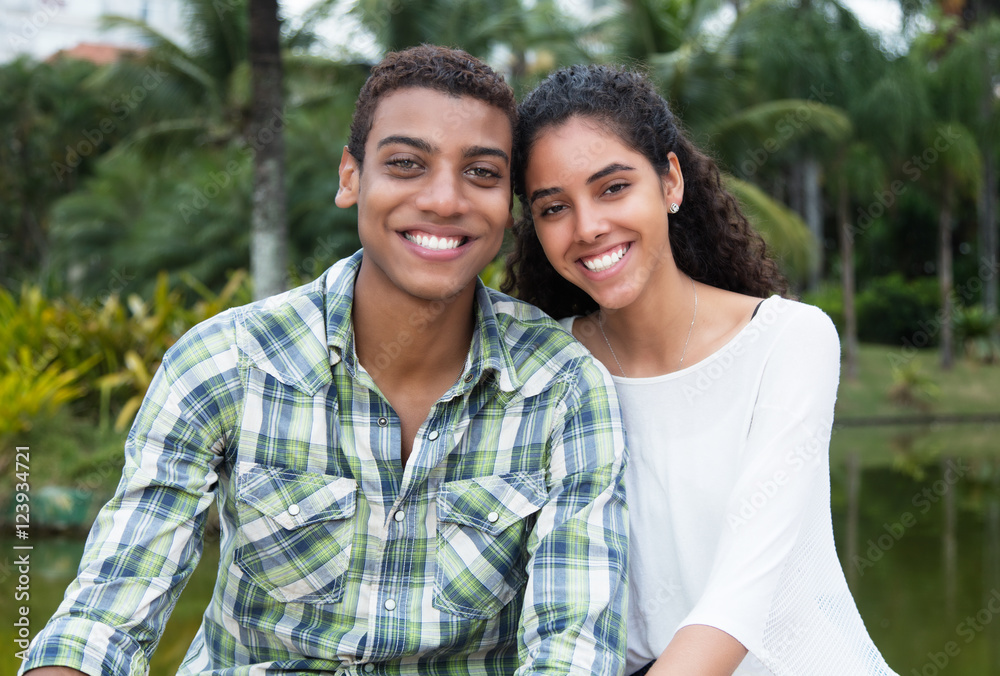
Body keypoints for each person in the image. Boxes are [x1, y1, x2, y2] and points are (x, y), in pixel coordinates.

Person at [21, 47, 629, 676]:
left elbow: (573, 645)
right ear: (351, 177)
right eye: (405, 163)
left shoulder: (561, 386)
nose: (446, 199)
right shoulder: (223, 364)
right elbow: (102, 619)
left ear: (509, 204)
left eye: (481, 173)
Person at [503, 64, 898, 676]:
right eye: (554, 208)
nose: (588, 228)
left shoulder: (788, 341)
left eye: (613, 188)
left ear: (670, 182)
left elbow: (739, 597)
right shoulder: (547, 367)